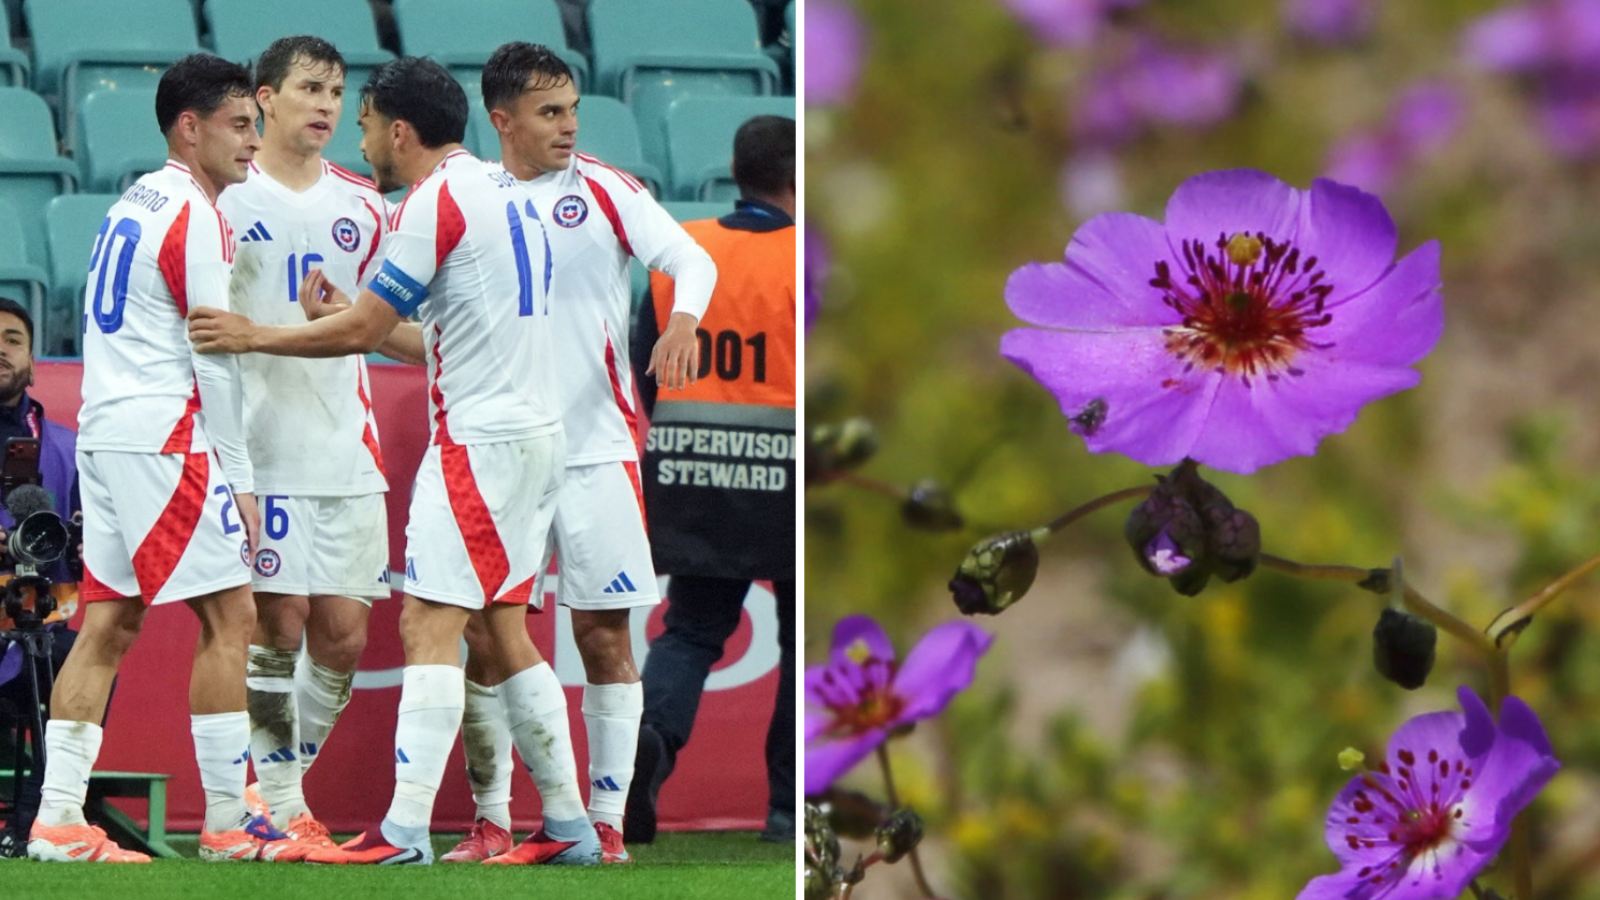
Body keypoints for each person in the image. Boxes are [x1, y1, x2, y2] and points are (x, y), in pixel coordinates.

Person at [188, 56, 598, 866]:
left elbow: (364, 335)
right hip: (533, 434)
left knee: (426, 622)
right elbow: (429, 338)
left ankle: (405, 829)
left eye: (366, 118)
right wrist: (346, 316)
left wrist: (255, 334)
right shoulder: (508, 193)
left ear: (399, 130)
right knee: (501, 628)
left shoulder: (432, 202)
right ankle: (570, 824)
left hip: (480, 442)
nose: (358, 133)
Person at [26, 53, 312, 864]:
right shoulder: (195, 214)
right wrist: (240, 478)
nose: (254, 144)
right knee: (234, 617)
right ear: (191, 128)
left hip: (108, 431)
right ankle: (228, 818)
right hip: (166, 434)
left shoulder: (131, 203)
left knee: (108, 621)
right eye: (240, 126)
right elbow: (215, 352)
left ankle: (55, 819)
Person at [440, 42, 714, 866]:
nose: (568, 127)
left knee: (604, 638)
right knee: (489, 636)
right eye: (549, 112)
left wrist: (682, 320)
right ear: (502, 120)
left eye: (572, 110)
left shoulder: (605, 189)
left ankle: (604, 823)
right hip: (498, 449)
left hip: (597, 451)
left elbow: (690, 257)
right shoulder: (464, 198)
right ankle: (492, 819)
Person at [215, 35, 404, 849]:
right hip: (260, 446)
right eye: (310, 89)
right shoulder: (226, 198)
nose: (327, 104)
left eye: (336, 91)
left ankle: (275, 790)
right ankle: (284, 810)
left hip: (345, 444)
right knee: (277, 623)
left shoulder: (367, 206)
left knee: (343, 634)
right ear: (265, 98)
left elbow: (390, 322)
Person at [627, 115, 797, 844]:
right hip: (792, 475)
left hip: (693, 468)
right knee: (806, 641)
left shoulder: (682, 256)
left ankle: (651, 743)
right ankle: (789, 810)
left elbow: (645, 365)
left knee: (692, 629)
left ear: (737, 171)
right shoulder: (808, 258)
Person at [0, 297, 82, 853]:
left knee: (85, 664)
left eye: (12, 340)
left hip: (37, 626)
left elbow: (78, 565)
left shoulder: (67, 449)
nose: (1, 349)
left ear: (33, 359)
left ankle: (34, 824)